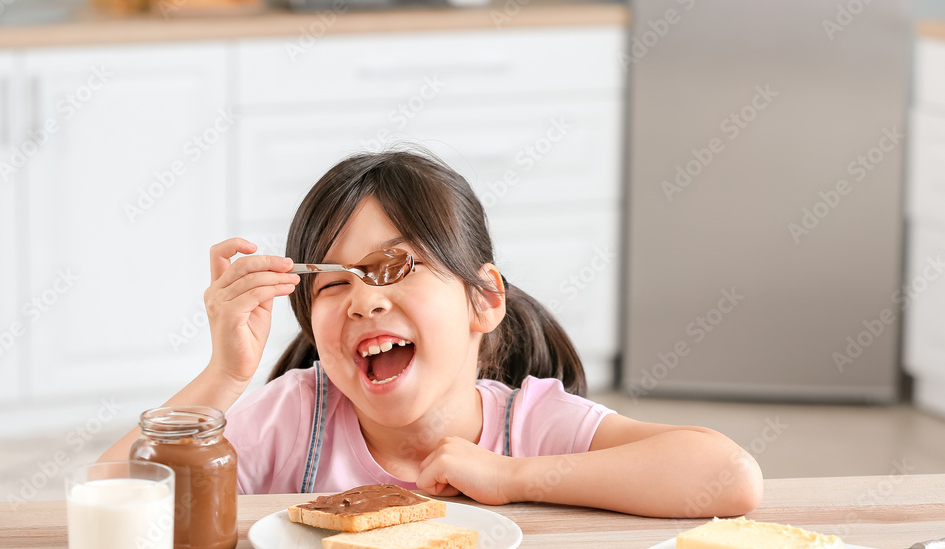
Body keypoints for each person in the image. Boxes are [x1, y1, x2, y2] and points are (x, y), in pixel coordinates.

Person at [101, 150, 762, 517]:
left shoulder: (531, 425)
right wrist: (226, 375)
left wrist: (516, 476)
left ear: (485, 299)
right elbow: (114, 501)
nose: (363, 299)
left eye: (395, 267)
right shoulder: (294, 416)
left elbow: (728, 475)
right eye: (333, 283)